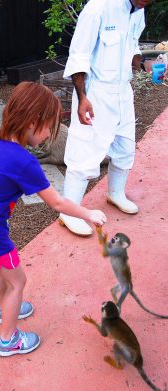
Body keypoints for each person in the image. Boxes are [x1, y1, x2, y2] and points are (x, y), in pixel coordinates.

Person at [0, 82, 107, 357]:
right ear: (32, 122)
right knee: (17, 282)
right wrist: (89, 214)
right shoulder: (23, 162)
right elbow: (57, 202)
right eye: (49, 126)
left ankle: (2, 309)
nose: (50, 132)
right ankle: (8, 340)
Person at [59, 0, 152, 236]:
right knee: (85, 150)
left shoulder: (138, 11)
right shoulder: (98, 8)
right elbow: (79, 55)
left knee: (125, 146)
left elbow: (132, 47)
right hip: (95, 92)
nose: (146, 2)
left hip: (122, 91)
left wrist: (144, 64)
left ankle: (115, 193)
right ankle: (69, 210)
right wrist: (82, 98)